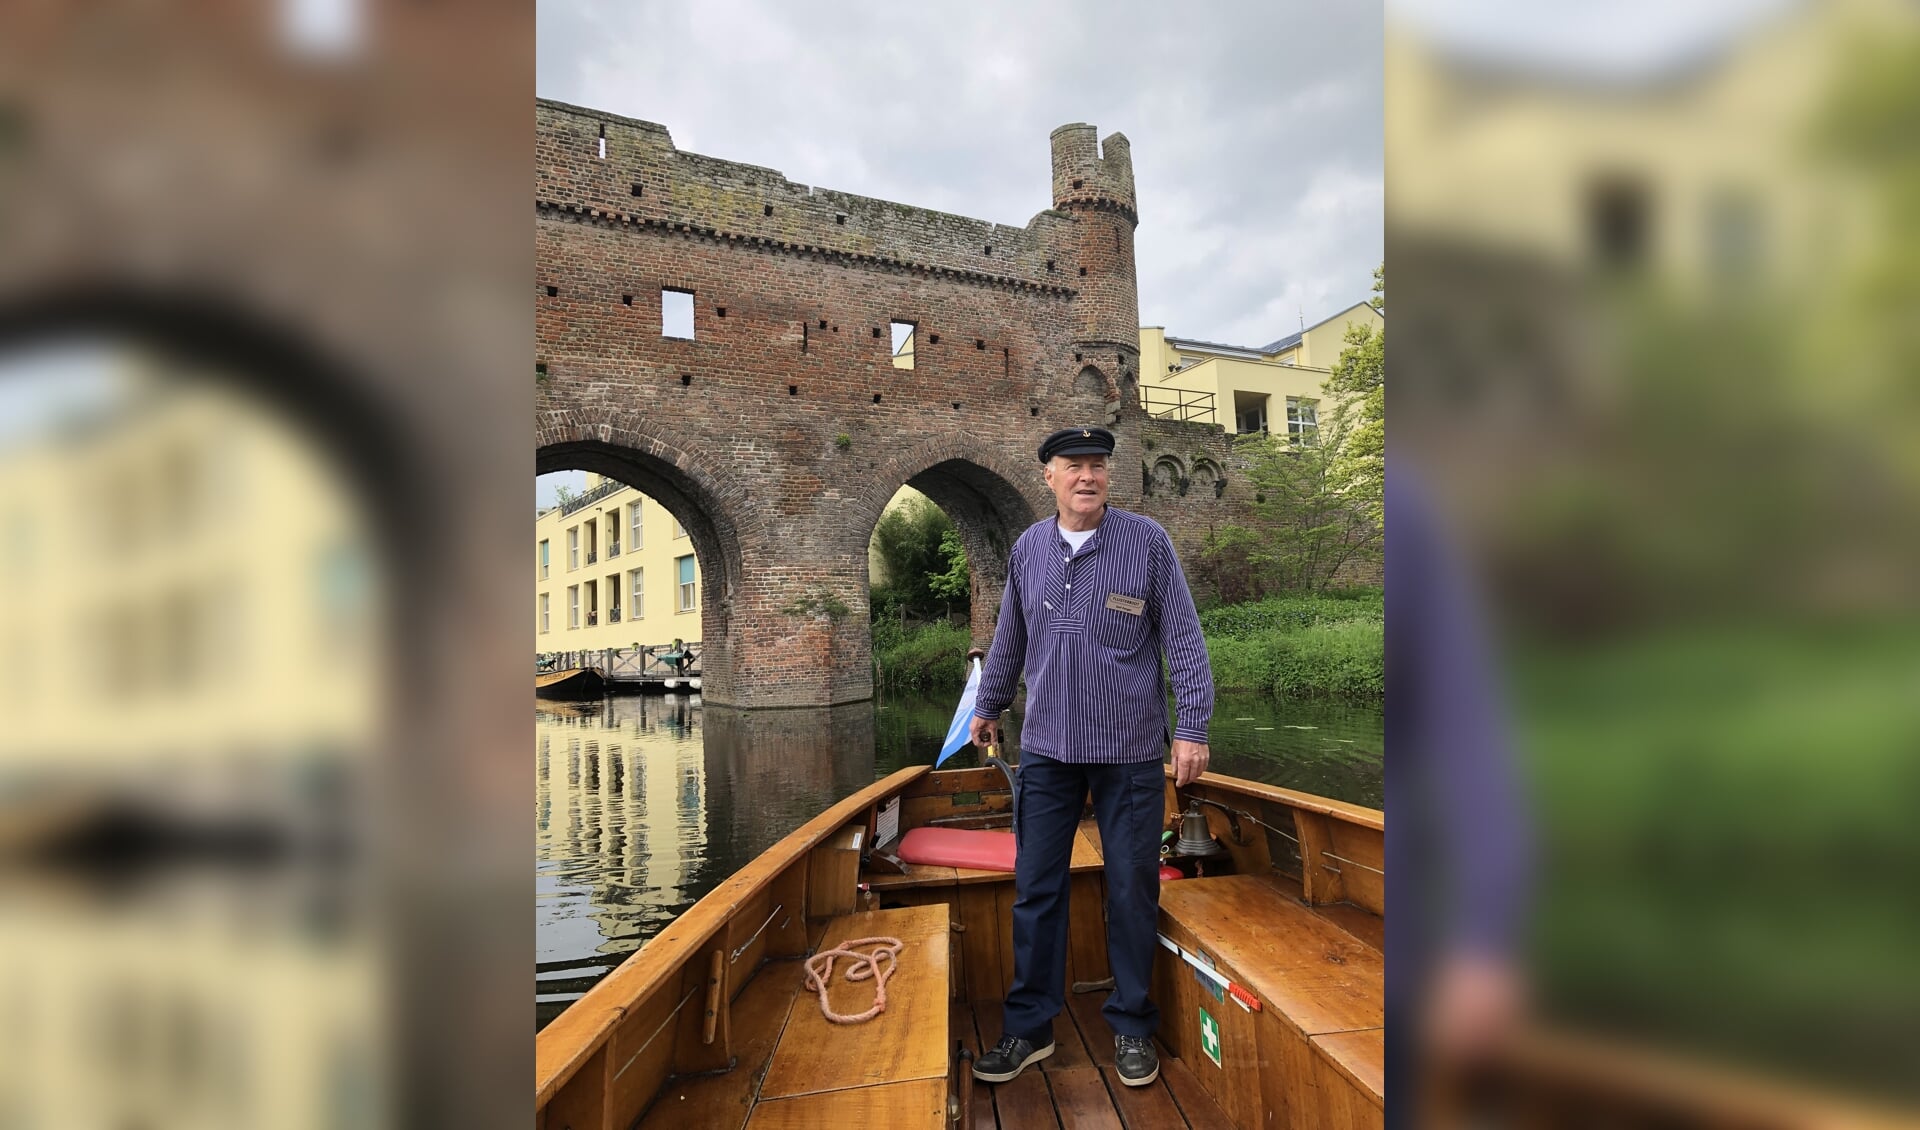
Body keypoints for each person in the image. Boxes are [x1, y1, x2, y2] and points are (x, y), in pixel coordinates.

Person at [967, 425, 1214, 1089]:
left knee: (1131, 889)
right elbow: (1010, 636)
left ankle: (1133, 1026)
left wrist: (1192, 725)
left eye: (1097, 465)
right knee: (1036, 890)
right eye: (1073, 465)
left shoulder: (1147, 543)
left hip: (1130, 750)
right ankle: (1030, 1028)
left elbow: (1184, 640)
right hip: (1047, 749)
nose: (1087, 476)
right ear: (1047, 475)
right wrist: (986, 707)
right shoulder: (1029, 549)